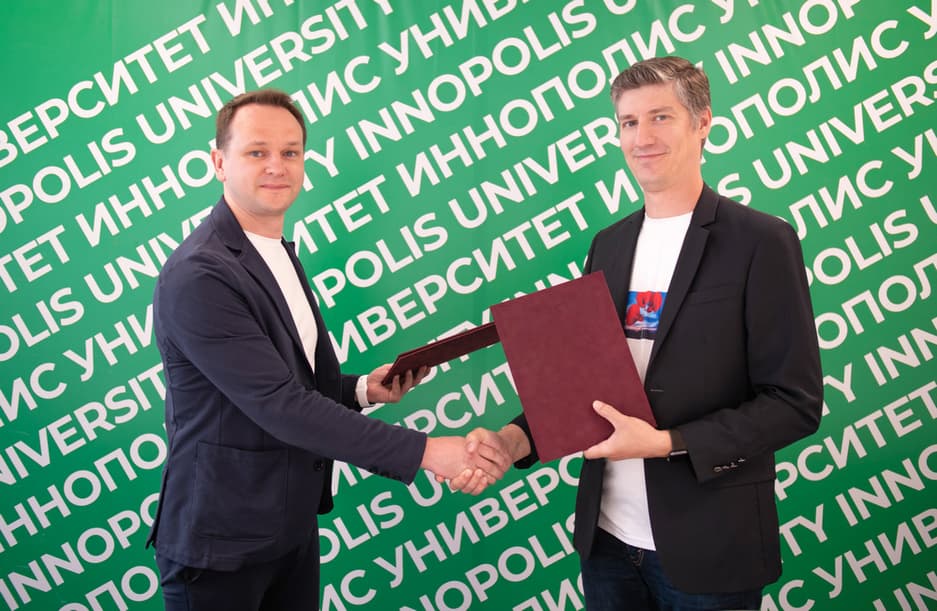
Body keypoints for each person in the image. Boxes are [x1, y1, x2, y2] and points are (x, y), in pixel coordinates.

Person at [454, 56, 823, 610]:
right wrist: (513, 440)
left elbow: (794, 403)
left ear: (703, 123)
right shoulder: (609, 245)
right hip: (607, 543)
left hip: (709, 546)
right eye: (628, 122)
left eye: (660, 117)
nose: (642, 138)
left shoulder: (761, 242)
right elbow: (585, 386)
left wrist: (666, 444)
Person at [146, 89, 509, 611]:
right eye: (257, 151)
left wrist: (362, 390)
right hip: (220, 544)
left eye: (290, 152)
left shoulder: (273, 250)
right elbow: (279, 404)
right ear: (219, 163)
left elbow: (283, 381)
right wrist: (431, 452)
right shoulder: (200, 274)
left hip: (288, 530)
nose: (277, 166)